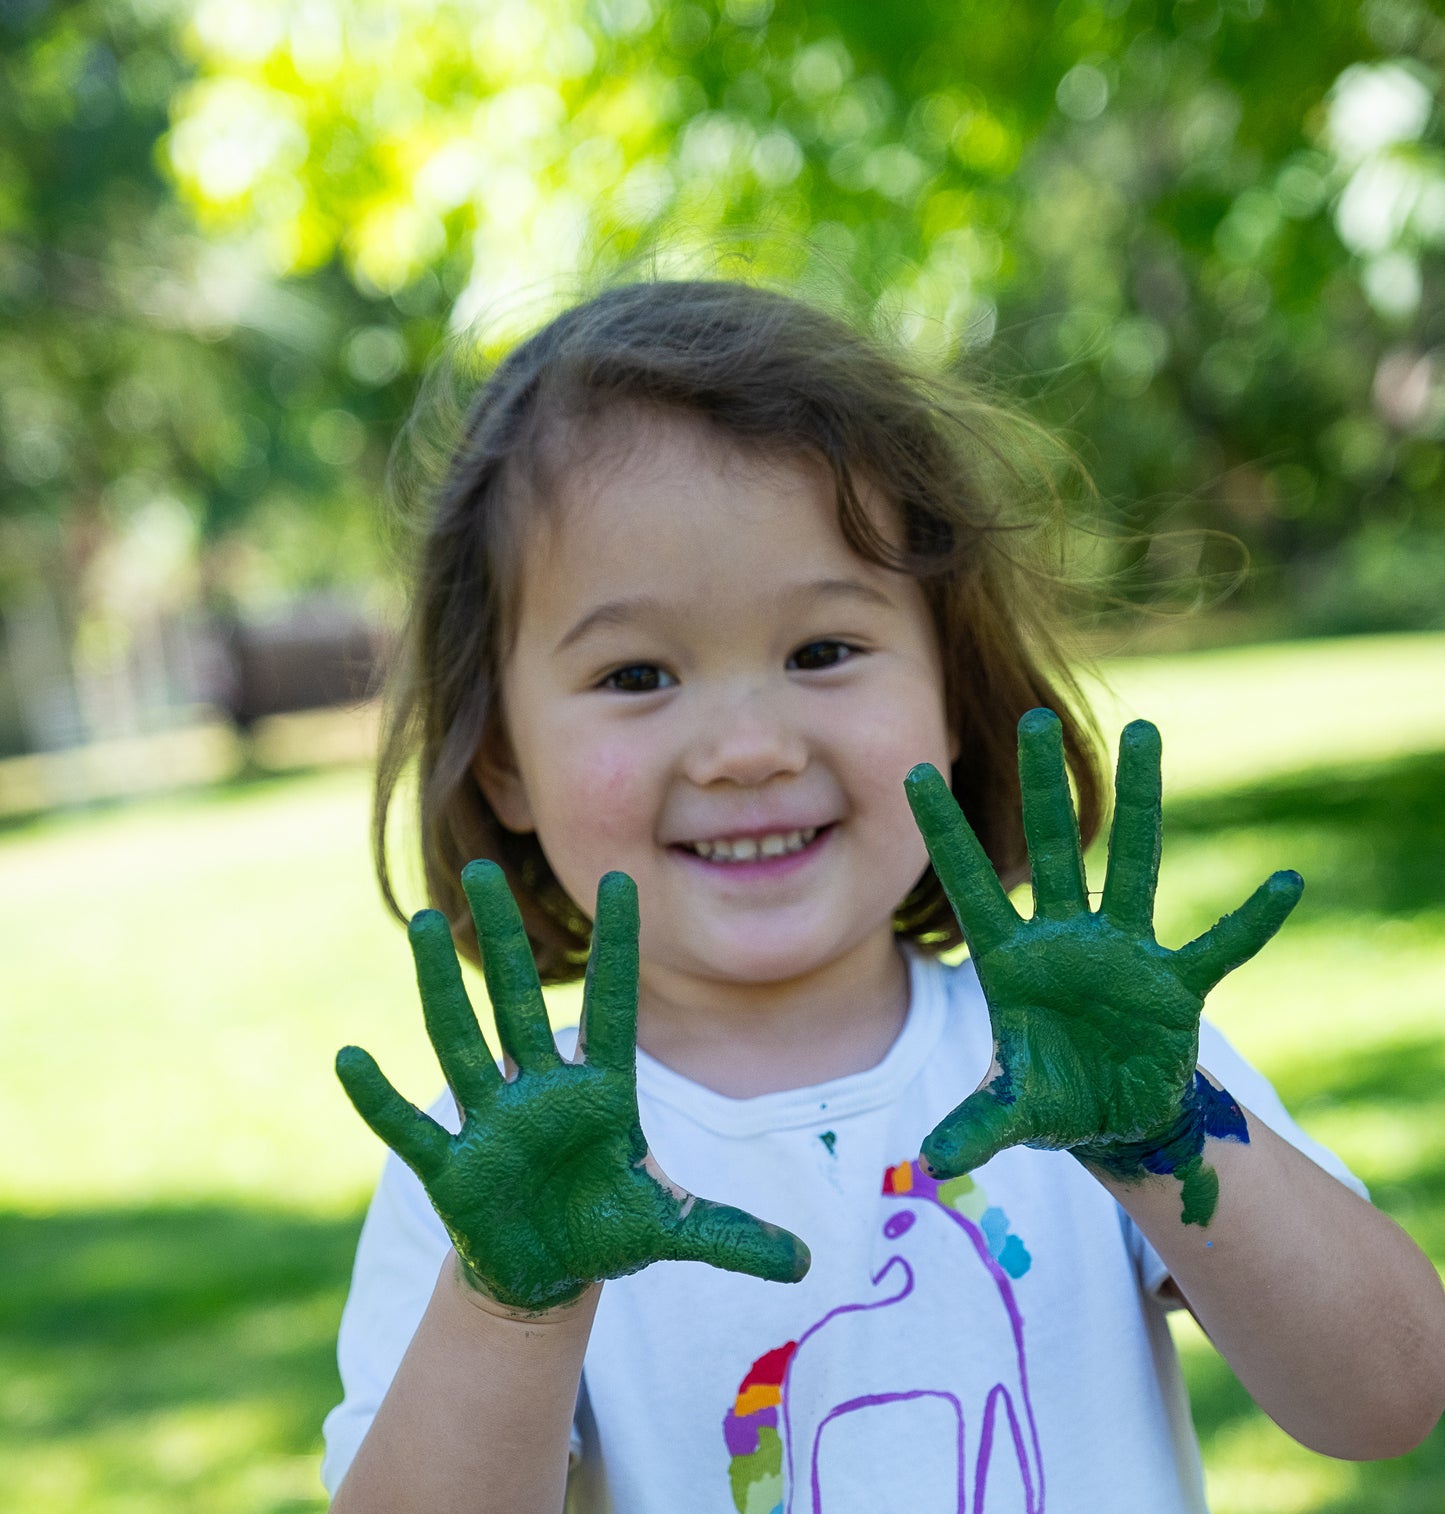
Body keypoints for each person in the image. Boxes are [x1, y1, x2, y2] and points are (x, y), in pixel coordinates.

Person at [319, 280, 1445, 1514]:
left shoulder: (1088, 1063)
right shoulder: (499, 1184)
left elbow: (1386, 1396)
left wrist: (1168, 1131)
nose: (745, 747)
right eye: (636, 672)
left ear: (952, 698)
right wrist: (509, 1304)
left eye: (821, 651)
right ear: (502, 763)